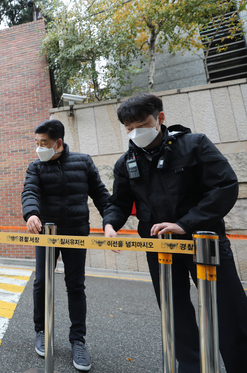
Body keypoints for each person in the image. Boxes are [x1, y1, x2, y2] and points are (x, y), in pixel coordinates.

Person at [103, 93, 247, 373]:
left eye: (141, 124)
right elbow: (118, 202)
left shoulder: (194, 145)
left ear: (160, 118)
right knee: (175, 313)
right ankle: (191, 368)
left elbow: (224, 186)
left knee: (229, 312)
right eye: (129, 129)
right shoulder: (126, 162)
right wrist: (110, 224)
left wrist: (185, 224)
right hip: (160, 250)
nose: (136, 133)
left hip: (203, 243)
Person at [22, 119, 110, 371]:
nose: (39, 148)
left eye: (44, 143)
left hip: (75, 233)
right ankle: (42, 331)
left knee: (75, 286)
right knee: (42, 282)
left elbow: (101, 195)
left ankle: (78, 340)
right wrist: (31, 214)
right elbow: (30, 192)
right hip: (46, 233)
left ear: (58, 142)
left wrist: (110, 223)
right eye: (36, 143)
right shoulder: (36, 167)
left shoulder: (83, 162)